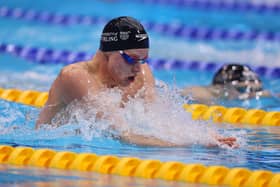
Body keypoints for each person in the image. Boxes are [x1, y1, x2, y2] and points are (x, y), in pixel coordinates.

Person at [36, 16, 237, 147]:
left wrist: (202, 133)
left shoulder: (140, 74)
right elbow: (124, 135)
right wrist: (195, 142)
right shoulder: (75, 77)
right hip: (51, 151)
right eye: (132, 59)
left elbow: (159, 120)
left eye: (143, 60)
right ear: (109, 52)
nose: (139, 67)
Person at [181, 64, 270, 104]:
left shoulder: (228, 94)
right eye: (242, 89)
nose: (248, 94)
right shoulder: (199, 94)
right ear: (223, 86)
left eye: (255, 90)